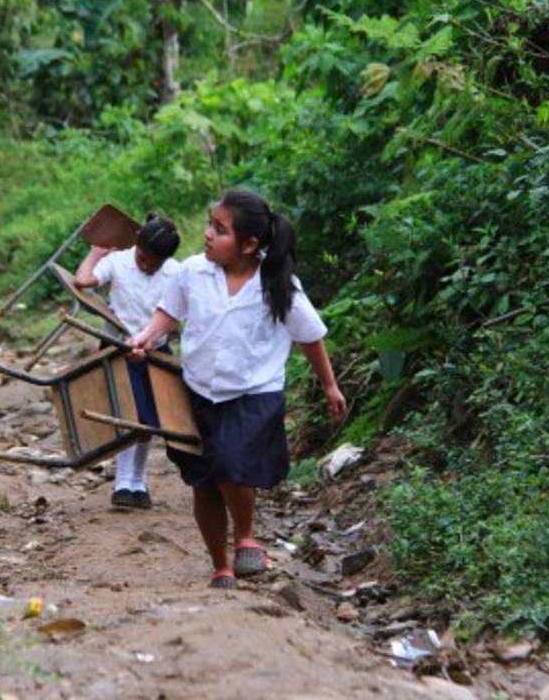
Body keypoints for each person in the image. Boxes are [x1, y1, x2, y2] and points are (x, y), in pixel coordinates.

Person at [128, 189, 347, 588]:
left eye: (220, 229)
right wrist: (145, 338)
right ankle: (220, 564)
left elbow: (310, 337)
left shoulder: (278, 283)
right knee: (203, 479)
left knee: (230, 462)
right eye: (210, 225)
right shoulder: (192, 272)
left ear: (249, 244)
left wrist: (330, 385)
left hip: (253, 391)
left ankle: (246, 535)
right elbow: (167, 314)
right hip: (196, 390)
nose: (208, 234)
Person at [74, 213, 182, 509]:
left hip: (155, 351)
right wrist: (95, 254)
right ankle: (123, 482)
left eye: (154, 263)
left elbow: (177, 314)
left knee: (148, 421)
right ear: (136, 243)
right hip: (119, 347)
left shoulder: (176, 272)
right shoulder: (118, 261)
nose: (147, 265)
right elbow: (83, 281)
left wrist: (150, 342)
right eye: (144, 258)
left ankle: (139, 481)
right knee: (127, 416)